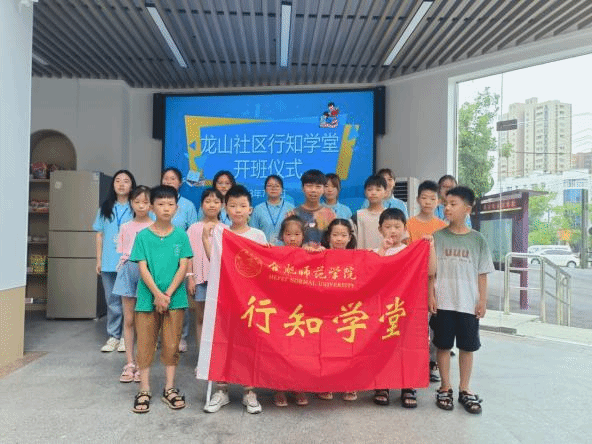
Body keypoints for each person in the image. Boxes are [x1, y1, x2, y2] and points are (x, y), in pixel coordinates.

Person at [202, 185, 267, 414]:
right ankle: (222, 390)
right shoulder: (221, 233)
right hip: (226, 297)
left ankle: (250, 392)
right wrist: (206, 239)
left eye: (242, 206)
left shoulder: (257, 235)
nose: (237, 210)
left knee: (249, 343)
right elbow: (215, 261)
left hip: (250, 300)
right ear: (225, 208)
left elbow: (264, 266)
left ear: (250, 209)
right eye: (232, 206)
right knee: (223, 340)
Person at [129, 185, 193, 414]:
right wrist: (157, 294)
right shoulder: (143, 236)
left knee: (172, 344)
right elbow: (142, 267)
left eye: (170, 204)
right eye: (161, 204)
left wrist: (167, 294)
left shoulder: (181, 235)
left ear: (177, 208)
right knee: (145, 343)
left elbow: (183, 266)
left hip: (175, 299)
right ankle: (144, 388)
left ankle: (169, 388)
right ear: (152, 207)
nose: (166, 208)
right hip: (148, 298)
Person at [430, 186, 494, 414]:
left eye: (453, 204)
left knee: (467, 347)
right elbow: (431, 273)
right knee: (443, 345)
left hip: (468, 303)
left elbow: (482, 273)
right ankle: (445, 387)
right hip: (443, 302)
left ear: (467, 208)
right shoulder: (437, 237)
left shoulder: (478, 240)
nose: (447, 208)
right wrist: (430, 295)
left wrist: (482, 301)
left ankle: (464, 388)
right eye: (445, 204)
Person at [372, 208, 436, 408]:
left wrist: (430, 246)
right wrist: (382, 250)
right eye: (388, 227)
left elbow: (431, 271)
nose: (393, 231)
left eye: (397, 226)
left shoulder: (412, 250)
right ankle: (382, 384)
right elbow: (371, 273)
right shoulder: (375, 252)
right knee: (383, 346)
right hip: (384, 308)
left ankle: (408, 385)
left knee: (409, 346)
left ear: (405, 229)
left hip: (408, 308)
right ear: (380, 230)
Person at [405, 180, 448, 383]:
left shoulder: (442, 227)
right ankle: (413, 361)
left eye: (432, 198)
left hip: (436, 281)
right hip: (413, 281)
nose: (428, 202)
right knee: (414, 324)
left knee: (434, 324)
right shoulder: (409, 224)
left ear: (438, 201)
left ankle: (431, 363)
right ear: (417, 199)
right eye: (424, 198)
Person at [112, 185, 153, 383]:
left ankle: (142, 363)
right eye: (137, 202)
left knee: (144, 321)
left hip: (149, 273)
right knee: (128, 319)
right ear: (131, 203)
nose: (141, 205)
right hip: (128, 270)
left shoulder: (155, 227)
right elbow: (122, 252)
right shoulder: (126, 226)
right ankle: (130, 363)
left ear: (151, 205)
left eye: (145, 202)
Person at [93, 170, 136, 353]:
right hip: (109, 261)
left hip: (130, 262)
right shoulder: (105, 208)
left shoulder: (136, 207)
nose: (121, 184)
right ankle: (113, 336)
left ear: (132, 185)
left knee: (129, 300)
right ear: (113, 185)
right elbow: (99, 234)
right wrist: (99, 260)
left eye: (126, 181)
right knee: (112, 301)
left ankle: (127, 337)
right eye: (118, 180)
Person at [316, 218, 358, 402]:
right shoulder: (321, 254)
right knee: (327, 349)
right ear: (328, 237)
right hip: (326, 311)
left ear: (350, 237)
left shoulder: (358, 257)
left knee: (349, 349)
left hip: (348, 311)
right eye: (335, 235)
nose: (339, 239)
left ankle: (349, 384)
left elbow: (376, 263)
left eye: (343, 235)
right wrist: (311, 251)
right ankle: (327, 384)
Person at [272, 215, 309, 408]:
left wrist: (318, 252)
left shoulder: (310, 254)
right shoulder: (275, 254)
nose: (292, 238)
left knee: (300, 352)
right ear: (282, 236)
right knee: (280, 351)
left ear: (303, 236)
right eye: (288, 234)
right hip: (281, 311)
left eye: (297, 234)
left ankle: (298, 387)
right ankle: (279, 389)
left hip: (302, 313)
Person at [161, 167, 198, 353]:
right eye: (166, 178)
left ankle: (181, 335)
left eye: (173, 178)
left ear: (180, 183)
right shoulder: (156, 201)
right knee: (159, 295)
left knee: (179, 298)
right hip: (158, 257)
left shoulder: (188, 205)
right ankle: (160, 335)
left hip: (180, 258)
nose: (168, 181)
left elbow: (192, 234)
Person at [186, 188, 225, 351]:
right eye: (208, 201)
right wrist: (190, 277)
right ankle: (202, 357)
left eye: (216, 202)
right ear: (201, 205)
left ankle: (216, 356)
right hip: (199, 280)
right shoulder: (193, 228)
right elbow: (188, 255)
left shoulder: (226, 229)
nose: (212, 205)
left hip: (220, 281)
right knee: (201, 318)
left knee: (218, 320)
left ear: (222, 205)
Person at [293, 169, 336, 249]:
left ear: (323, 189)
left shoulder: (330, 214)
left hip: (323, 255)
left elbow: (334, 242)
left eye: (318, 187)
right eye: (309, 186)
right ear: (302, 188)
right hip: (299, 256)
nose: (313, 190)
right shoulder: (293, 214)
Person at [250, 175, 294, 244]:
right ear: (265, 189)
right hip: (263, 248)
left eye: (277, 186)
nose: (273, 188)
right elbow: (252, 232)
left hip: (285, 248)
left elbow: (296, 230)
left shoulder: (290, 208)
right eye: (270, 186)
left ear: (282, 189)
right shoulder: (258, 209)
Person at [355, 175, 386, 250]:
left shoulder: (391, 215)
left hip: (386, 256)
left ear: (385, 192)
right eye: (369, 189)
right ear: (365, 192)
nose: (373, 193)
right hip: (363, 256)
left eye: (378, 190)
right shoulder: (358, 216)